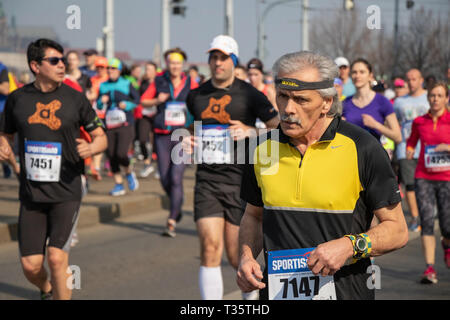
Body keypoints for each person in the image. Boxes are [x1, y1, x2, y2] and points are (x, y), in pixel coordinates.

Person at [236, 51, 408, 300]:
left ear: (326, 102)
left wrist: (349, 246)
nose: (288, 109)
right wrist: (247, 256)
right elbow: (253, 216)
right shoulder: (262, 149)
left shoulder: (363, 148)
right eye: (282, 96)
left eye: (301, 100)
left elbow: (398, 230)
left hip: (347, 291)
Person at [0, 39, 107, 300]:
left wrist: (92, 149)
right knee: (31, 266)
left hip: (67, 190)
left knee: (57, 257)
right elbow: (6, 134)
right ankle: (47, 289)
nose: (62, 65)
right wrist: (3, 145)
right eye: (54, 61)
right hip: (32, 194)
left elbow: (102, 136)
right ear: (35, 66)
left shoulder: (75, 98)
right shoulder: (18, 99)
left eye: (62, 60)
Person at [184, 35, 279, 300]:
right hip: (208, 182)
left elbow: (277, 126)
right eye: (213, 57)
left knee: (237, 256)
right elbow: (187, 128)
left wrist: (252, 130)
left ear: (233, 60)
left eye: (223, 57)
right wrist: (187, 138)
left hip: (241, 184)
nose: (217, 62)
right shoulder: (196, 95)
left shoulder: (249, 94)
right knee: (209, 248)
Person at [140, 47, 198, 237]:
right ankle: (177, 204)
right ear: (167, 64)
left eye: (178, 63)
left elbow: (200, 104)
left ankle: (172, 219)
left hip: (183, 134)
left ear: (183, 65)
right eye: (171, 63)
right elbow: (143, 101)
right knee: (165, 177)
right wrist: (157, 99)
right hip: (163, 134)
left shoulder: (191, 82)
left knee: (176, 176)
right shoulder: (159, 80)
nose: (174, 66)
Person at [406, 82, 450, 284]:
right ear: (428, 98)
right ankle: (429, 268)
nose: (435, 99)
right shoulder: (419, 121)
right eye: (432, 95)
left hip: (447, 178)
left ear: (446, 98)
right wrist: (409, 149)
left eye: (439, 95)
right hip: (423, 176)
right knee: (427, 222)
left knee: (447, 224)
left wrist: (447, 147)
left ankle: (447, 245)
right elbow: (412, 140)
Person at [97, 58, 140, 196]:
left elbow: (137, 100)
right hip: (109, 123)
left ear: (120, 70)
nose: (110, 71)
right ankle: (118, 184)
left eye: (113, 68)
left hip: (125, 123)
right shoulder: (103, 85)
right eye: (108, 68)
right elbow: (98, 105)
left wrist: (127, 105)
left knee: (121, 153)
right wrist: (100, 101)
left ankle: (129, 172)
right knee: (111, 154)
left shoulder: (127, 83)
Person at [394, 69, 430, 232]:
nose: (411, 82)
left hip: (427, 147)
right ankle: (416, 217)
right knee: (409, 185)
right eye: (408, 79)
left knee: (426, 184)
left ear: (421, 80)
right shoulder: (400, 102)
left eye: (414, 79)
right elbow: (393, 122)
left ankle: (427, 212)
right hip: (405, 147)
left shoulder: (429, 97)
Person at [342, 58, 402, 145]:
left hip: (373, 155)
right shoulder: (345, 103)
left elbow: (398, 137)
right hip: (351, 155)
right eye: (354, 72)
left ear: (370, 76)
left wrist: (376, 125)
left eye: (362, 72)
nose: (357, 76)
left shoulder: (382, 102)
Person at [136, 61, 158, 178]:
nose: (147, 72)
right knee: (142, 139)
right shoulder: (143, 84)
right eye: (146, 69)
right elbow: (138, 98)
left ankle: (158, 165)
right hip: (145, 115)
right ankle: (146, 163)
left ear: (155, 71)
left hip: (157, 115)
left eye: (149, 69)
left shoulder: (160, 83)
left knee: (157, 141)